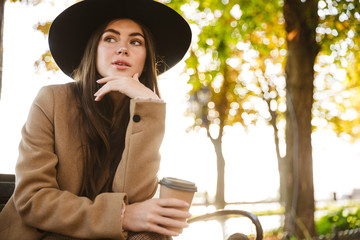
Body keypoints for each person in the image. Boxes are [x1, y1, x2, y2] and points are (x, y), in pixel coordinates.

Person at [0, 0, 192, 239]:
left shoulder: (143, 116)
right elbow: (33, 199)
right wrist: (121, 215)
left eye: (135, 41)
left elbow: (134, 196)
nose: (122, 49)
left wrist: (149, 105)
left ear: (146, 59)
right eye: (110, 38)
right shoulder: (51, 100)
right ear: (93, 49)